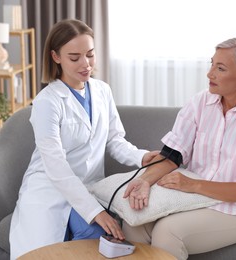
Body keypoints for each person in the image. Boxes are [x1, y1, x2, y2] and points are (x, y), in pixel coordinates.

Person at [9, 19, 158, 259]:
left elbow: (115, 140)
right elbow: (56, 166)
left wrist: (142, 156)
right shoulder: (48, 102)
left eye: (90, 54)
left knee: (103, 247)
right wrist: (95, 212)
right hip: (50, 189)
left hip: (89, 188)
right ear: (56, 57)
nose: (86, 64)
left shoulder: (102, 90)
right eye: (75, 57)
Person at [122, 37, 236, 260]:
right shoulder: (200, 103)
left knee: (168, 232)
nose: (210, 74)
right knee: (134, 222)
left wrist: (192, 184)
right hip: (196, 197)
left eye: (220, 68)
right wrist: (144, 182)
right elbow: (171, 156)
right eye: (212, 64)